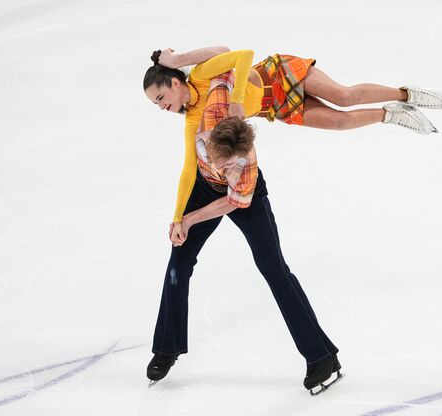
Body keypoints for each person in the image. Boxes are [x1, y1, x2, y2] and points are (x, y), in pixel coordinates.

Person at [146, 67, 342, 394]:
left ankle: (322, 356)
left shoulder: (245, 166)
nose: (224, 169)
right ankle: (166, 348)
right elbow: (227, 61)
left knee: (274, 269)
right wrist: (178, 60)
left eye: (228, 168)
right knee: (178, 264)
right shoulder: (215, 106)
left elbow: (233, 201)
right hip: (203, 188)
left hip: (241, 201)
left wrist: (189, 220)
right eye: (220, 163)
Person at [143, 48, 442, 246]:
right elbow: (188, 169)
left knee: (344, 97)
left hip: (278, 74)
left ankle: (406, 95)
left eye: (159, 98)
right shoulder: (192, 119)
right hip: (275, 107)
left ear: (174, 83)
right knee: (339, 123)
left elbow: (240, 54)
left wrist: (231, 96)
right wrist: (177, 216)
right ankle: (391, 115)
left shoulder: (200, 74)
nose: (160, 107)